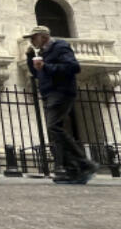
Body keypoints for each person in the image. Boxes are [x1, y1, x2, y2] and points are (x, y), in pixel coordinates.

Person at [26, 25, 96, 184]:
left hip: (61, 92)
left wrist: (46, 66)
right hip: (49, 93)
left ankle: (84, 162)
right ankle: (73, 169)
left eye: (33, 37)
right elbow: (38, 74)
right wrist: (31, 59)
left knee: (53, 127)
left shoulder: (60, 46)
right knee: (55, 131)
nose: (31, 40)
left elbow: (73, 67)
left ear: (43, 37)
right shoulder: (42, 52)